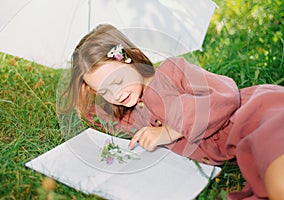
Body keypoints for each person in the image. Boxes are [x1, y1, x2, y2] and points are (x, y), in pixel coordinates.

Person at [61, 24, 284, 199]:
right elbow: (95, 115)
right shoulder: (129, 115)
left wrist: (171, 130)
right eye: (105, 91)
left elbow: (224, 94)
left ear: (133, 58)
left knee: (279, 186)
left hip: (259, 115)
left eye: (118, 80)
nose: (116, 94)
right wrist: (87, 89)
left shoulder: (172, 72)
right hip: (244, 143)